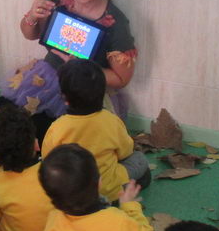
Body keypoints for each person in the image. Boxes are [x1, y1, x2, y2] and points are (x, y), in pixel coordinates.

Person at [3, 0, 137, 138]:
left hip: (84, 93)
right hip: (45, 78)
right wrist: (32, 16)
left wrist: (84, 67)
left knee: (52, 140)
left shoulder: (116, 23)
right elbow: (29, 34)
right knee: (4, 124)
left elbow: (121, 78)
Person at [41, 59, 150, 199]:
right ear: (103, 92)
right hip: (109, 189)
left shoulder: (57, 127)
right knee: (139, 159)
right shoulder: (112, 120)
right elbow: (126, 152)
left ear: (65, 98)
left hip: (71, 191)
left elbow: (47, 161)